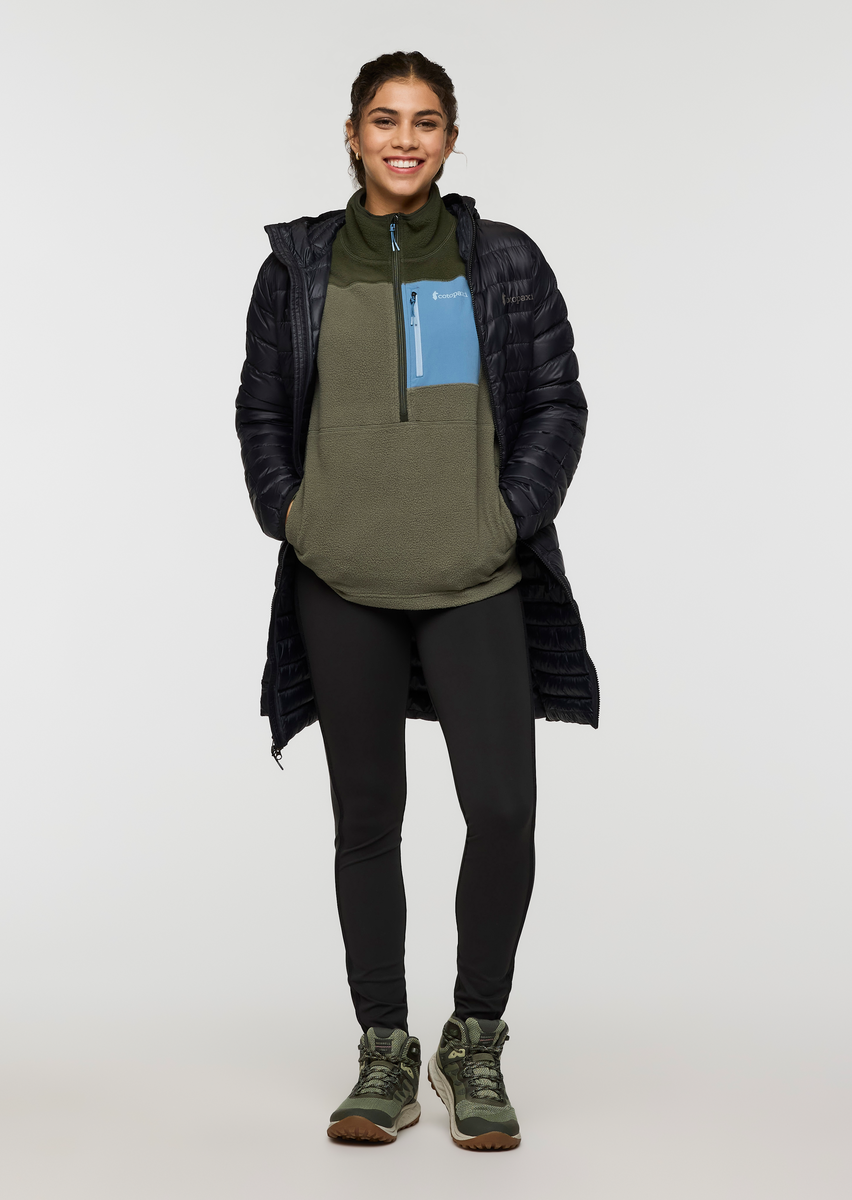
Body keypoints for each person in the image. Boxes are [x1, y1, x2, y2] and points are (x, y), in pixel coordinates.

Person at [234, 50, 598, 1151]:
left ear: (450, 138)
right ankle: (384, 1049)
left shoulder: (503, 260)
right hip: (341, 581)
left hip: (475, 577)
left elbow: (558, 401)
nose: (405, 139)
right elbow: (260, 409)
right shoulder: (298, 268)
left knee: (503, 812)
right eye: (385, 121)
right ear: (353, 135)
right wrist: (296, 517)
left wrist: (506, 517)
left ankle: (473, 1039)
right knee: (366, 823)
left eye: (425, 121)